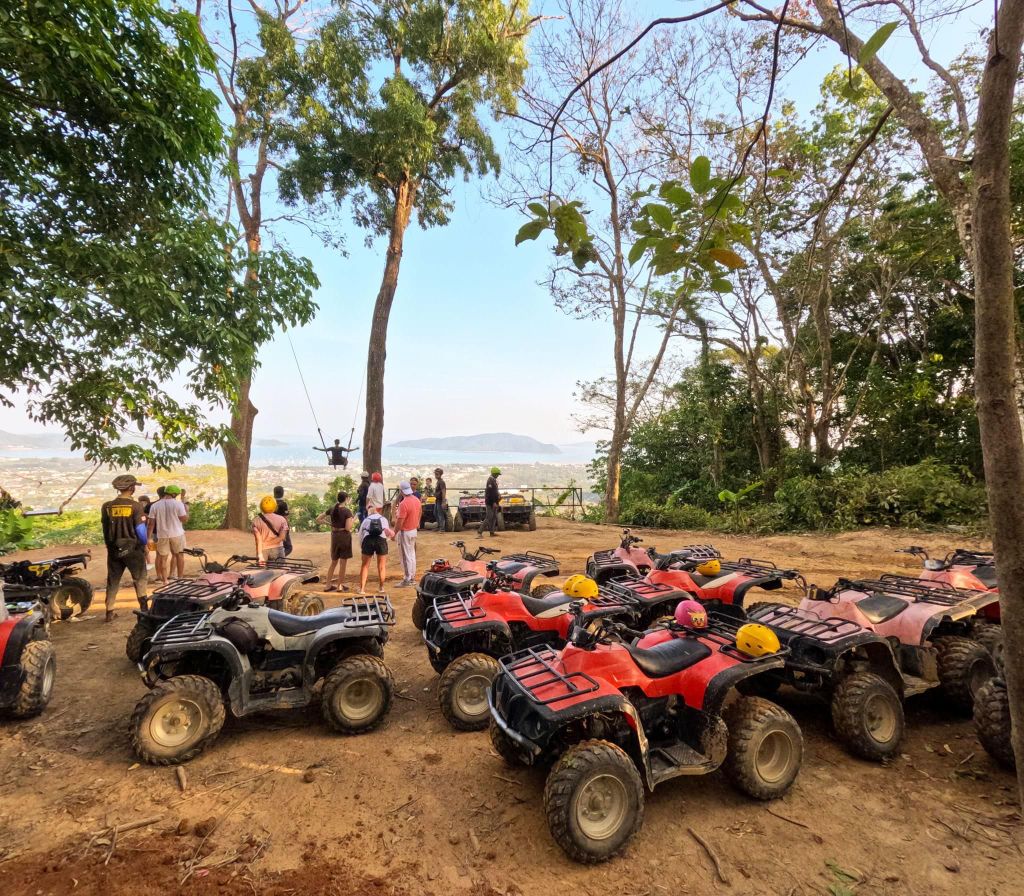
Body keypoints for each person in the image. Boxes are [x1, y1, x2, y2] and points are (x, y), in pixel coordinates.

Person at [101, 474, 148, 623]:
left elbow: (105, 528)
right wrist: (145, 544)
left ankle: (109, 611)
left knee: (113, 580)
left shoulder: (107, 506)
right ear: (131, 488)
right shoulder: (136, 506)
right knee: (140, 578)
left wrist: (109, 544)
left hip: (114, 548)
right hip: (133, 548)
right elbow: (140, 529)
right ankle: (144, 610)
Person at [147, 485, 189, 584]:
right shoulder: (178, 504)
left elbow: (151, 524)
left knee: (163, 557)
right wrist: (186, 511)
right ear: (174, 494)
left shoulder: (155, 505)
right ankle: (180, 578)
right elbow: (184, 519)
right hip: (177, 533)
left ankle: (165, 581)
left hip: (162, 535)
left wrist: (149, 538)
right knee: (179, 555)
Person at [316, 490, 355, 591]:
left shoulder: (332, 509)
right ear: (346, 499)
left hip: (334, 536)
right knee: (343, 563)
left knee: (334, 562)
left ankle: (328, 585)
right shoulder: (347, 511)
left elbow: (318, 519)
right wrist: (354, 520)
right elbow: (347, 528)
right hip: (344, 537)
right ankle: (340, 586)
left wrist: (328, 524)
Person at [358, 502, 395, 594]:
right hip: (381, 540)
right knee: (381, 566)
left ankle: (362, 589)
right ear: (378, 510)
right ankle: (381, 587)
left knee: (365, 566)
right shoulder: (383, 519)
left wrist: (362, 545)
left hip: (368, 540)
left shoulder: (366, 520)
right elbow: (387, 532)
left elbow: (360, 535)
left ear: (368, 511)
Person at [394, 481, 422, 587]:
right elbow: (419, 512)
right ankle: (412, 577)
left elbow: (400, 522)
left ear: (401, 491)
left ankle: (407, 579)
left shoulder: (403, 503)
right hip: (413, 530)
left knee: (405, 556)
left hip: (405, 532)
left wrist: (394, 533)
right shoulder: (416, 500)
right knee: (411, 554)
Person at [252, 495, 289, 563]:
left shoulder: (256, 521)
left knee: (262, 572)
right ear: (275, 507)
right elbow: (282, 537)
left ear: (261, 507)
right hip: (278, 549)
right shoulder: (282, 519)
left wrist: (260, 555)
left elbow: (258, 540)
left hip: (263, 551)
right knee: (281, 571)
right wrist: (268, 543)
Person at [479, 466, 502, 538]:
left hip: (495, 502)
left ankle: (492, 532)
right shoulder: (490, 481)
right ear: (494, 474)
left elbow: (495, 492)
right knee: (489, 517)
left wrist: (498, 496)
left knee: (494, 517)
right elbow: (490, 493)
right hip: (490, 503)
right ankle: (479, 532)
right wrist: (493, 502)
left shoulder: (494, 480)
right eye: (497, 474)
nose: (498, 475)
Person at [274, 485, 293, 557]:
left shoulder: (271, 503)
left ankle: (275, 557)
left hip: (271, 527)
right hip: (282, 528)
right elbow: (285, 517)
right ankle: (279, 558)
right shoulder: (283, 504)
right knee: (288, 547)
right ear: (282, 493)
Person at [433, 467, 448, 533]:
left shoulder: (441, 482)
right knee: (435, 513)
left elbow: (443, 491)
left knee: (440, 514)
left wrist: (443, 501)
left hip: (440, 500)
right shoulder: (438, 482)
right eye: (435, 474)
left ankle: (442, 529)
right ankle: (439, 526)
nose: (436, 475)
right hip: (437, 500)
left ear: (440, 474)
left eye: (437, 474)